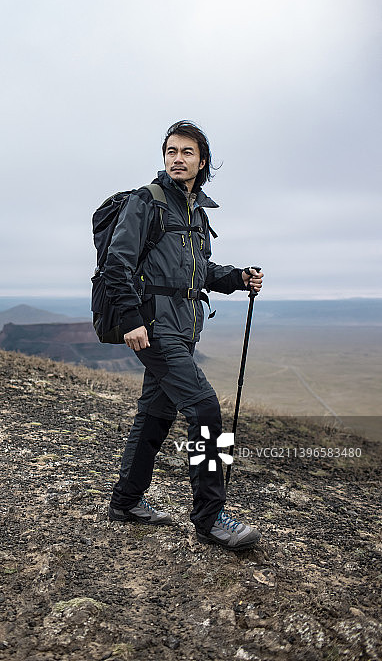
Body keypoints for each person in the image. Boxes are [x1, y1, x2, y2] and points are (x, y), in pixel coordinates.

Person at [104, 120, 264, 551]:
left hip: (184, 325)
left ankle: (126, 502)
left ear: (202, 161)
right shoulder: (147, 201)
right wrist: (131, 318)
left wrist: (236, 277)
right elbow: (117, 263)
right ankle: (211, 519)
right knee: (205, 407)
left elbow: (198, 273)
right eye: (171, 151)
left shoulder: (195, 211)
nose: (178, 158)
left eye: (186, 152)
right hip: (154, 326)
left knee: (155, 414)